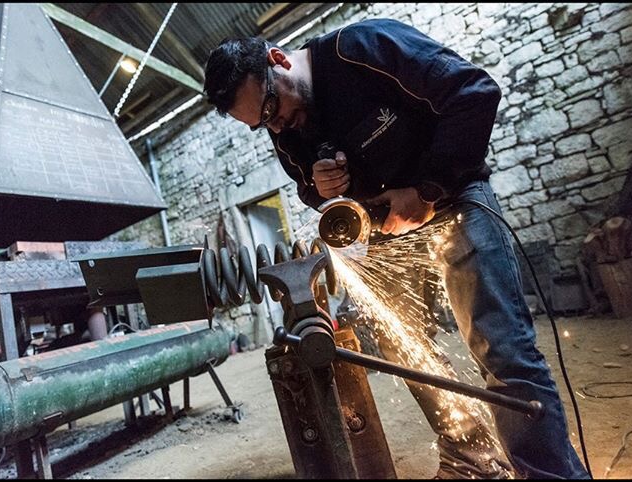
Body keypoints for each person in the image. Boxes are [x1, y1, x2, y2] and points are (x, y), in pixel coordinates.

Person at [203, 18, 590, 479]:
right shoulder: (284, 123)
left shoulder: (361, 49)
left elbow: (474, 92)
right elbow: (308, 187)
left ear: (278, 60)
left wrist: (427, 189)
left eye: (271, 108)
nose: (277, 125)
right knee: (403, 348)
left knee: (501, 346)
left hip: (453, 199)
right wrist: (320, 187)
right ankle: (473, 458)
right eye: (262, 123)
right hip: (385, 230)